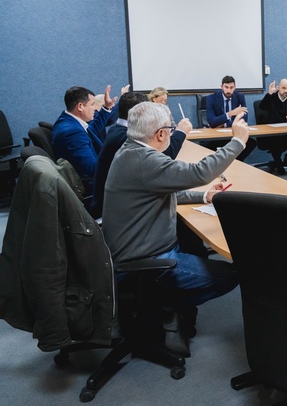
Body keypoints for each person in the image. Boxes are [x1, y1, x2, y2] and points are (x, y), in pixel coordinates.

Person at [103, 102, 249, 344]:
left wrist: (204, 195)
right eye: (171, 129)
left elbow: (163, 191)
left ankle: (166, 306)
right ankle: (165, 304)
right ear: (161, 133)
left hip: (130, 250)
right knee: (230, 275)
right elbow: (200, 172)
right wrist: (238, 142)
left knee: (195, 244)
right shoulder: (144, 160)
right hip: (144, 261)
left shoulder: (129, 151)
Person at [90, 91, 192, 218]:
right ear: (138, 113)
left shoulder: (116, 130)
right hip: (115, 213)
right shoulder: (126, 137)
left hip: (115, 203)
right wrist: (181, 132)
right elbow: (165, 156)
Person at [52, 85, 118, 178]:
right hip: (92, 184)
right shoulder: (73, 133)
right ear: (80, 106)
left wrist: (106, 107)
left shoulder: (67, 121)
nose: (95, 108)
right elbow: (91, 168)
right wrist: (119, 166)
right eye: (92, 104)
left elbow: (92, 129)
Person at [204, 75, 256, 161]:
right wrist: (231, 113)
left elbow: (244, 119)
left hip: (234, 134)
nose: (229, 90)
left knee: (251, 142)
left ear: (235, 87)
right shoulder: (211, 98)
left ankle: (234, 163)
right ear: (221, 86)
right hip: (217, 137)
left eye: (231, 87)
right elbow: (212, 122)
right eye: (226, 87)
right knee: (209, 147)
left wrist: (224, 123)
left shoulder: (240, 97)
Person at [257, 78, 287, 174]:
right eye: (283, 88)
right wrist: (269, 93)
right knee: (276, 139)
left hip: (286, 132)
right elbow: (262, 106)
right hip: (272, 133)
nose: (286, 91)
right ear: (278, 87)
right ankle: (278, 163)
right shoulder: (272, 97)